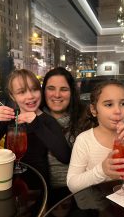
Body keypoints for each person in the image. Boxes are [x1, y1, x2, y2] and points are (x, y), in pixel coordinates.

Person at [0, 69, 71, 185]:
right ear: (12, 96)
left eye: (34, 90)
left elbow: (65, 156)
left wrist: (36, 124)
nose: (30, 96)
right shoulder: (10, 117)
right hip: (9, 179)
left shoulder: (47, 120)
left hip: (37, 183)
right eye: (22, 92)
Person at [40, 67, 85, 204]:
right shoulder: (33, 118)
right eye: (51, 88)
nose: (57, 94)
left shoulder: (85, 119)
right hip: (42, 194)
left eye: (64, 89)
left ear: (72, 92)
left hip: (77, 194)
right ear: (43, 91)